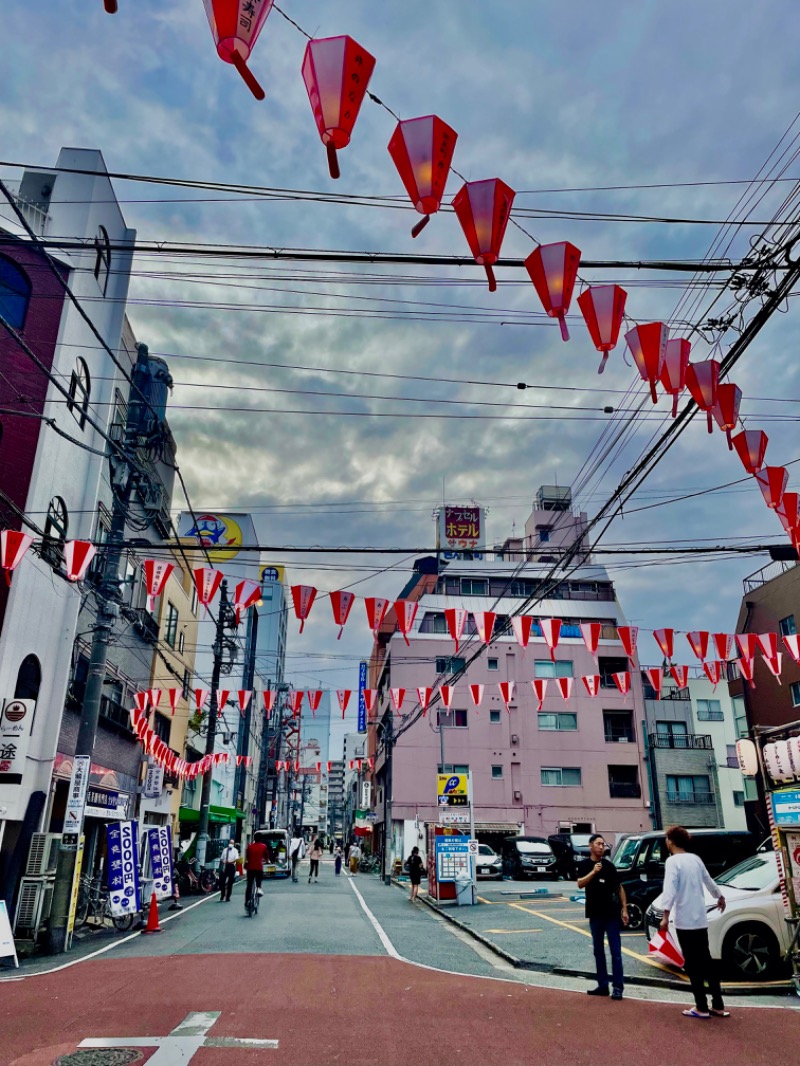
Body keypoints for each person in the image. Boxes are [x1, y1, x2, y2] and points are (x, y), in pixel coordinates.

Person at [659, 825, 728, 1019]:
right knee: (706, 961)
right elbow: (709, 881)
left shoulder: (673, 862)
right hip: (700, 919)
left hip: (685, 921)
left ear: (671, 842)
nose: (666, 842)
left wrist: (665, 916)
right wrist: (719, 896)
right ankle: (718, 1005)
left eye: (667, 839)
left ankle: (701, 1007)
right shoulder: (695, 859)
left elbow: (669, 889)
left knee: (693, 964)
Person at [576, 833, 629, 1000]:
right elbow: (580, 883)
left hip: (612, 913)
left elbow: (619, 887)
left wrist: (624, 909)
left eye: (603, 844)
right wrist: (593, 872)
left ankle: (618, 987)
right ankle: (602, 985)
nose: (601, 847)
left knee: (616, 951)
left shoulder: (609, 865)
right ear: (591, 846)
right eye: (598, 844)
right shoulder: (585, 865)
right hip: (595, 914)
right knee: (598, 951)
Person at [244, 833, 268, 911]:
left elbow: (247, 857)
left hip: (250, 868)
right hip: (258, 868)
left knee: (249, 885)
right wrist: (267, 860)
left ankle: (247, 901)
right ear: (261, 839)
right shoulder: (264, 846)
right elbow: (266, 856)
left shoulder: (250, 846)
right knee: (258, 881)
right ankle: (258, 890)